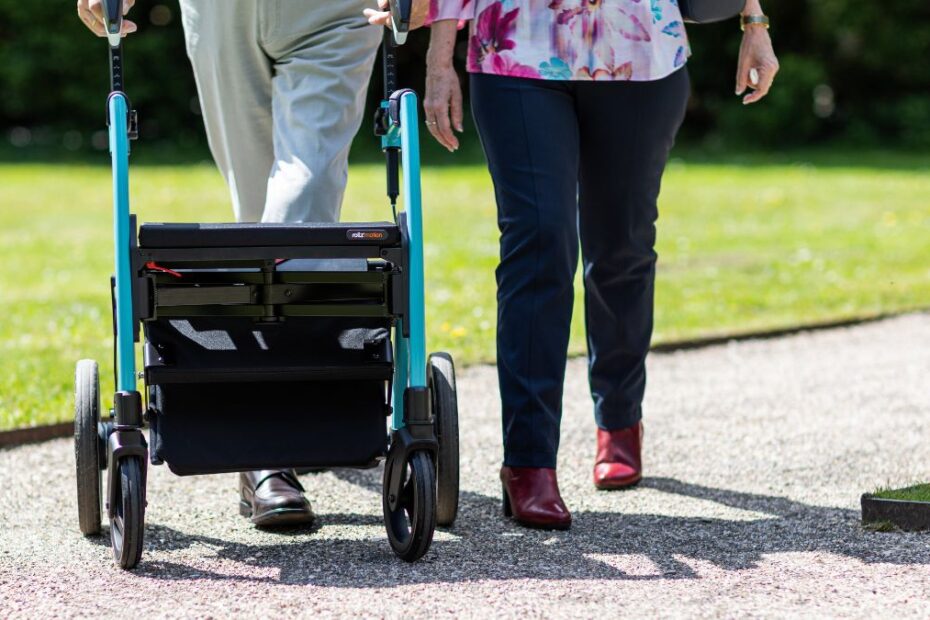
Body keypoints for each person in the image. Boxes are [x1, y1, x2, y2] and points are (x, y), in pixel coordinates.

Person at [372, 0, 779, 529]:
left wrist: (753, 20)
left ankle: (619, 419)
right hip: (515, 50)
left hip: (640, 53)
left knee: (622, 247)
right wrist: (439, 61)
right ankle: (528, 462)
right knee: (539, 242)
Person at [77, 0, 425, 527]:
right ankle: (275, 416)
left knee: (300, 205)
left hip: (335, 13)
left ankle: (268, 452)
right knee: (254, 212)